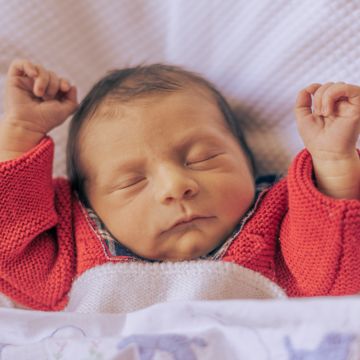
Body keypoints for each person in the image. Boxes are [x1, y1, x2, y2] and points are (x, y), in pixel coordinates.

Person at [0, 59, 359, 311]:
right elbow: (9, 245)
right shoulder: (72, 253)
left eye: (202, 158)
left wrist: (334, 163)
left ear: (247, 163)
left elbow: (336, 275)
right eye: (132, 181)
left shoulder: (281, 230)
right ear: (89, 205)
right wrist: (20, 133)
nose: (175, 186)